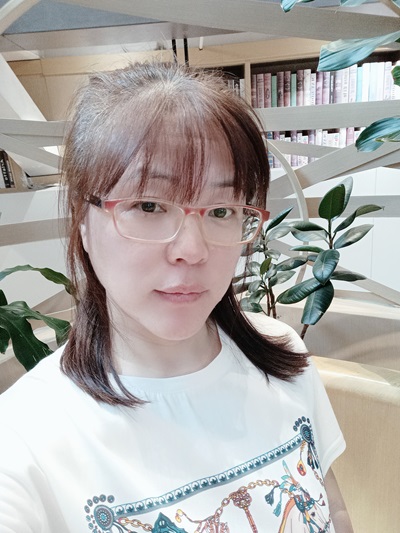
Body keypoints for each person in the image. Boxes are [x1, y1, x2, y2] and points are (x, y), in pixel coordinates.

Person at [0, 61, 353, 532]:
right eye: (149, 206)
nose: (192, 249)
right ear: (83, 221)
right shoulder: (22, 441)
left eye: (221, 210)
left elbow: (334, 510)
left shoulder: (280, 351)